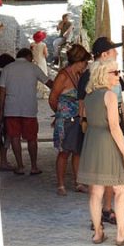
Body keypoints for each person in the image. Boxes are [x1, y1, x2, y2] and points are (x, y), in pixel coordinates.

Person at [77, 59, 124, 246]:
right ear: (103, 74)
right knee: (120, 189)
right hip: (107, 141)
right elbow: (114, 127)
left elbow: (87, 119)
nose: (118, 75)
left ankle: (98, 232)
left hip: (92, 141)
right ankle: (122, 233)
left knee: (96, 190)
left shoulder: (89, 95)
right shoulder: (110, 96)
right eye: (115, 72)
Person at [77, 36, 123, 225]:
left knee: (110, 174)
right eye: (113, 51)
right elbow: (83, 105)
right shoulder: (90, 76)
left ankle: (106, 209)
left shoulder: (110, 72)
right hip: (100, 130)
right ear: (104, 54)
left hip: (107, 127)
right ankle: (100, 218)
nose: (117, 54)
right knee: (100, 177)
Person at [0, 48, 53, 175]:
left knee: (15, 137)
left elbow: (2, 90)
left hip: (11, 109)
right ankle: (34, 166)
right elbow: (49, 82)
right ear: (28, 56)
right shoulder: (33, 68)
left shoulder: (7, 68)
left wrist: (1, 109)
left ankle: (20, 166)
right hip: (29, 108)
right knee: (32, 138)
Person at [48, 44, 91, 196]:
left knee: (77, 151)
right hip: (65, 120)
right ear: (78, 61)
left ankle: (78, 182)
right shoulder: (63, 76)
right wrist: (60, 113)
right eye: (85, 63)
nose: (85, 66)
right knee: (64, 152)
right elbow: (52, 98)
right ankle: (60, 184)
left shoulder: (79, 76)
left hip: (78, 118)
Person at [0, 53, 15, 171]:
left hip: (0, 105)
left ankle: (4, 160)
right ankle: (3, 161)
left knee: (6, 131)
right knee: (6, 131)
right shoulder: (0, 75)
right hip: (1, 106)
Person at [30, 30, 49, 98]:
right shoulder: (43, 45)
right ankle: (44, 94)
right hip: (41, 62)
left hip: (34, 62)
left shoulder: (32, 44)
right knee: (43, 76)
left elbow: (31, 53)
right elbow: (46, 55)